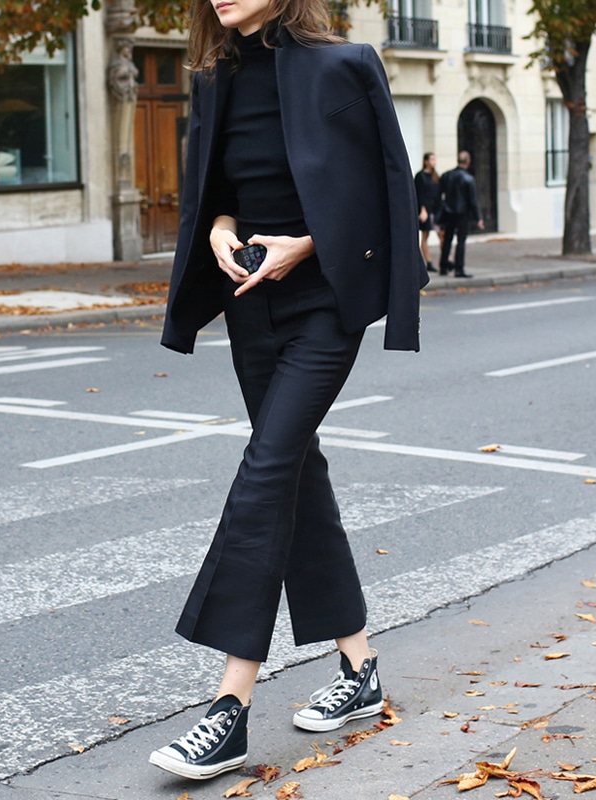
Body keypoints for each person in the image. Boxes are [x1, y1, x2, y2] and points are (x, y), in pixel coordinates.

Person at [152, 0, 427, 781]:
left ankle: (230, 707)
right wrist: (217, 233)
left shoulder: (345, 65)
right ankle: (359, 669)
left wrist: (303, 244)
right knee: (299, 474)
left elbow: (385, 192)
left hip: (323, 305)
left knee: (266, 470)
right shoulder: (214, 77)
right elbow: (217, 192)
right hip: (251, 306)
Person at [437, 150, 484, 278]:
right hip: (462, 213)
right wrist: (478, 218)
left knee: (447, 239)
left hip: (449, 211)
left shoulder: (447, 175)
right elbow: (472, 201)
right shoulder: (468, 179)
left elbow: (440, 194)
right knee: (461, 241)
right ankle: (459, 268)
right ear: (468, 162)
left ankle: (443, 266)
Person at [413, 152, 442, 273]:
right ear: (426, 161)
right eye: (431, 159)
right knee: (425, 235)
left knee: (442, 234)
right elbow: (419, 193)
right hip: (426, 210)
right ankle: (428, 261)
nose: (433, 161)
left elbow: (438, 194)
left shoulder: (435, 176)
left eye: (434, 159)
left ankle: (446, 259)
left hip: (435, 209)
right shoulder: (420, 176)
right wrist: (422, 209)